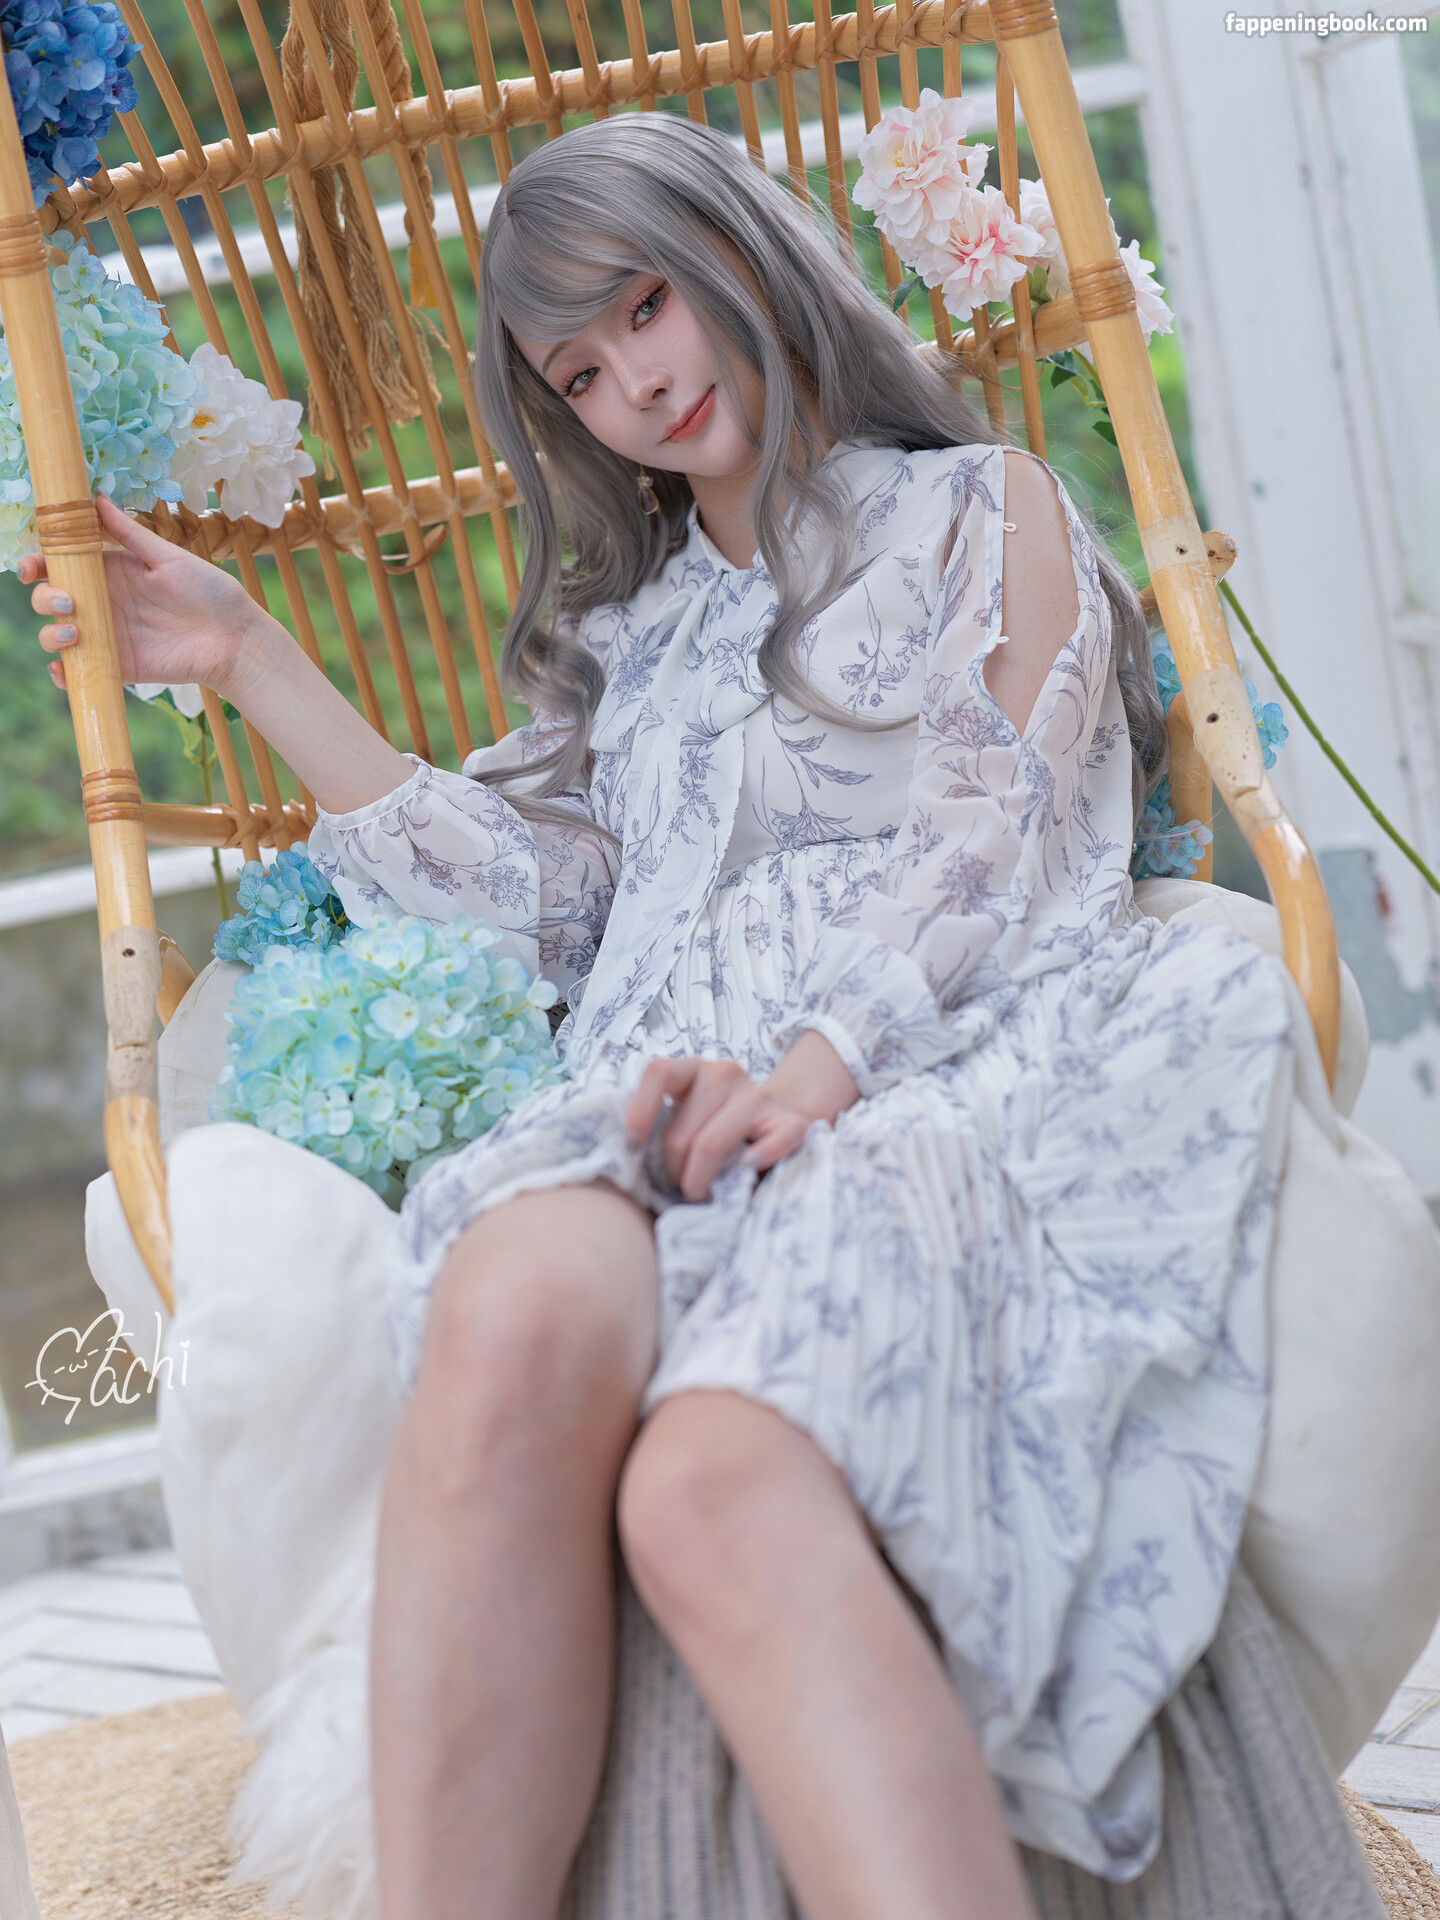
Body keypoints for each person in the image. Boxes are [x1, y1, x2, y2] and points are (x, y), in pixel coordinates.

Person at [27, 111, 1353, 1920]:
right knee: (502, 1303)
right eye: (579, 372)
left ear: (742, 250)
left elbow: (995, 832)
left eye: (644, 306)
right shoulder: (636, 639)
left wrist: (813, 1073)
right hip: (648, 1101)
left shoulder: (983, 508)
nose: (635, 386)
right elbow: (543, 910)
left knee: (705, 1486)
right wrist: (252, 656)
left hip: (912, 1081)